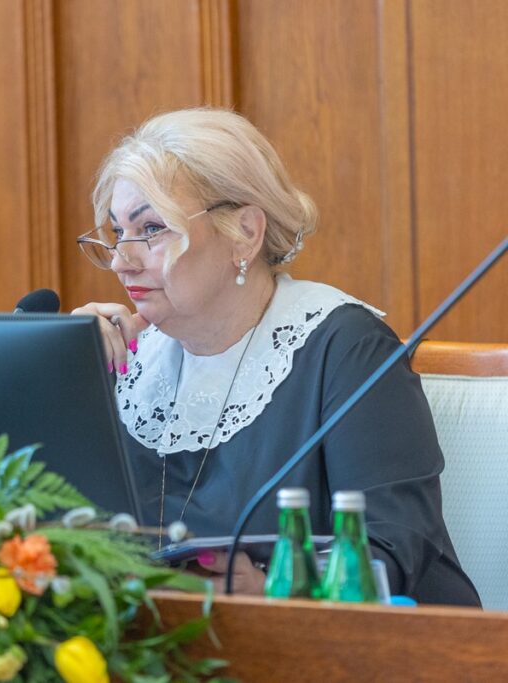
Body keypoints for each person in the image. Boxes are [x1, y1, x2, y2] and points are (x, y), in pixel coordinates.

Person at [72, 108, 479, 606]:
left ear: (245, 231)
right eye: (117, 233)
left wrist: (274, 592)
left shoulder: (347, 346)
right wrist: (68, 373)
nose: (120, 259)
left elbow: (390, 553)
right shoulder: (123, 360)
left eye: (152, 229)